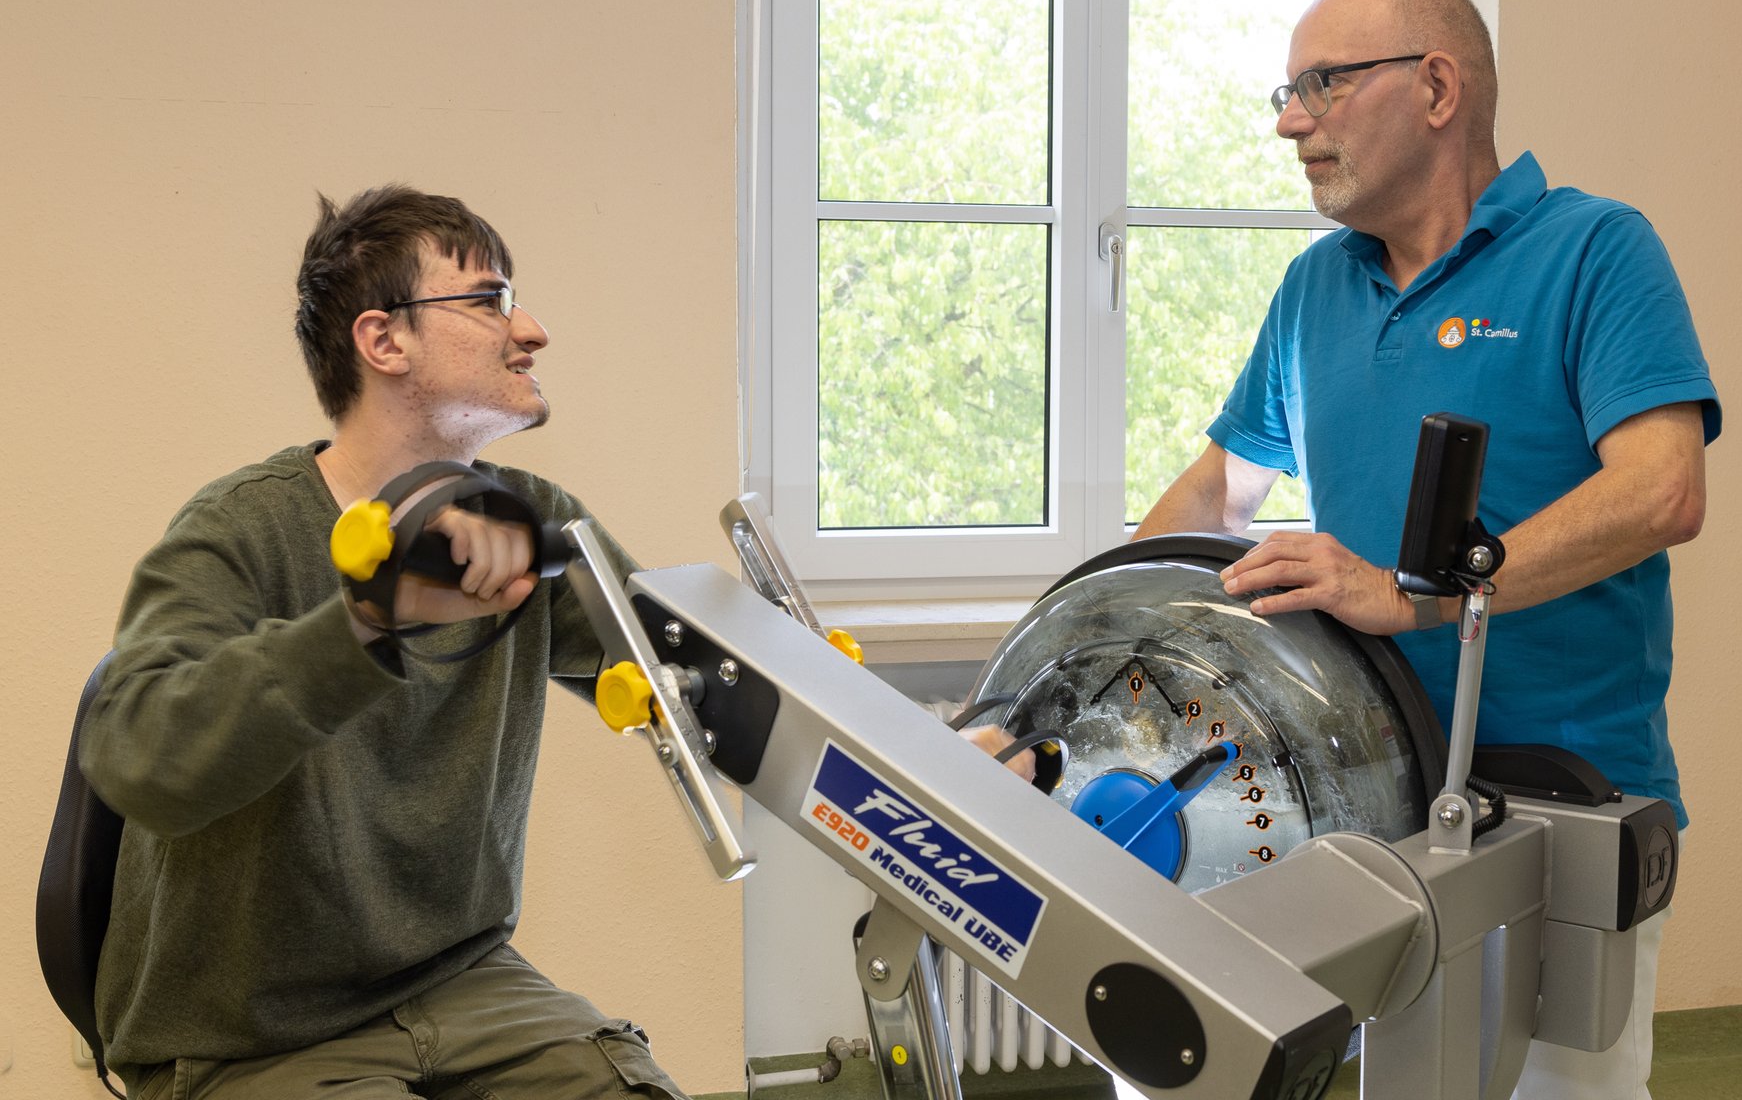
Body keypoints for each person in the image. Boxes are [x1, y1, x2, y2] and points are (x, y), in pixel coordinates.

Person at [80, 186, 1030, 1099]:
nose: (530, 330)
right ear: (384, 339)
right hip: (249, 1030)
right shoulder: (240, 530)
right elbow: (137, 754)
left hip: (457, 983)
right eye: (489, 300)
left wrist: (928, 765)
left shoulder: (534, 524)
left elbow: (696, 681)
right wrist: (368, 621)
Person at [1135, 0, 1719, 1100]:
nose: (1288, 120)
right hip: (1354, 794)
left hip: (1558, 798)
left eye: (1321, 85)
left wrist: (1426, 593)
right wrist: (1060, 672)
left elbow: (1660, 491)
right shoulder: (1315, 289)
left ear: (1436, 86)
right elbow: (1217, 496)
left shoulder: (1593, 251)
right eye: (1286, 90)